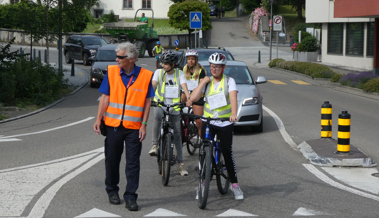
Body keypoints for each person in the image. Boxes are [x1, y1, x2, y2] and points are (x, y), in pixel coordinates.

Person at [93, 42, 155, 211]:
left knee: (133, 163)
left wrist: (144, 125)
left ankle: (130, 196)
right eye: (117, 56)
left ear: (131, 59)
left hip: (134, 127)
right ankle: (112, 191)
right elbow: (105, 97)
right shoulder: (112, 72)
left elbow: (147, 102)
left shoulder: (145, 76)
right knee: (112, 160)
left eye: (120, 57)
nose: (116, 59)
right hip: (113, 125)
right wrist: (99, 119)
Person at [187, 52, 244, 200]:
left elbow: (233, 98)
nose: (214, 70)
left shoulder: (229, 81)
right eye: (212, 67)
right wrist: (202, 83)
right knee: (205, 151)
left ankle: (235, 185)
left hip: (225, 122)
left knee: (227, 151)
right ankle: (202, 184)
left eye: (217, 67)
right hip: (209, 122)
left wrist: (233, 113)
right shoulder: (207, 82)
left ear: (223, 68)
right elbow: (193, 98)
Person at [149, 50, 191, 176]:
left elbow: (184, 86)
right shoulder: (159, 72)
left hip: (174, 106)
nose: (163, 65)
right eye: (163, 63)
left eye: (166, 63)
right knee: (157, 117)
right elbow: (154, 84)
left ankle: (181, 164)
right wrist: (149, 95)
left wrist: (188, 98)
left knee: (178, 133)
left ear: (173, 64)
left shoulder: (179, 73)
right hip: (160, 103)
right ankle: (155, 145)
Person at [181, 49, 207, 144]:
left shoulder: (201, 71)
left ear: (196, 60)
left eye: (192, 59)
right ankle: (181, 123)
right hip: (186, 93)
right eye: (188, 59)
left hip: (197, 95)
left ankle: (202, 140)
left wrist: (193, 98)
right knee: (176, 104)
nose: (190, 61)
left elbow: (201, 86)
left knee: (199, 121)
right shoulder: (184, 69)